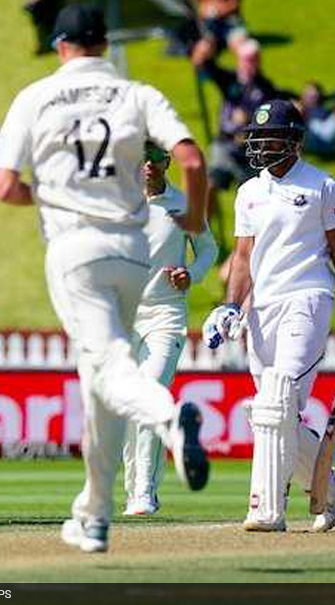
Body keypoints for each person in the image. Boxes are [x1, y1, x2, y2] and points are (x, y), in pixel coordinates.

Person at [0, 3, 210, 553]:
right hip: (135, 253)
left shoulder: (35, 96)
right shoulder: (137, 95)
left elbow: (2, 186)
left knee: (110, 369)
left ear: (61, 44)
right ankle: (94, 516)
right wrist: (194, 217)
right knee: (99, 383)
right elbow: (192, 159)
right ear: (105, 43)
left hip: (76, 250)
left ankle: (168, 417)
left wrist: (49, 197)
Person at [203, 100, 335, 533]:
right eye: (257, 139)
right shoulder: (249, 191)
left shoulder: (321, 186)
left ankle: (266, 509)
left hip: (309, 297)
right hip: (262, 307)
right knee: (271, 409)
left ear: (294, 141)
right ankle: (328, 493)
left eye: (271, 137)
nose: (261, 146)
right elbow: (243, 257)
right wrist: (229, 304)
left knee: (278, 396)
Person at [122, 143, 218, 516]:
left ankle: (143, 492)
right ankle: (137, 489)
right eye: (141, 155)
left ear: (166, 162)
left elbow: (208, 249)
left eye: (155, 157)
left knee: (149, 394)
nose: (147, 164)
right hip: (124, 315)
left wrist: (190, 274)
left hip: (166, 314)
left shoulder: (182, 204)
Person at [193, 39, 281, 238]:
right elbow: (206, 68)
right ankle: (202, 235)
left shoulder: (265, 88)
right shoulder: (230, 80)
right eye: (245, 60)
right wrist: (204, 50)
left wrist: (249, 119)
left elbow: (275, 114)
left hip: (251, 150)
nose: (249, 64)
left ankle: (249, 241)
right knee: (211, 183)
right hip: (226, 143)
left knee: (251, 197)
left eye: (253, 60)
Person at [300, 82, 335, 157]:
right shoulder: (301, 108)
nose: (310, 97)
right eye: (307, 94)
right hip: (312, 136)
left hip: (325, 136)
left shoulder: (322, 108)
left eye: (313, 96)